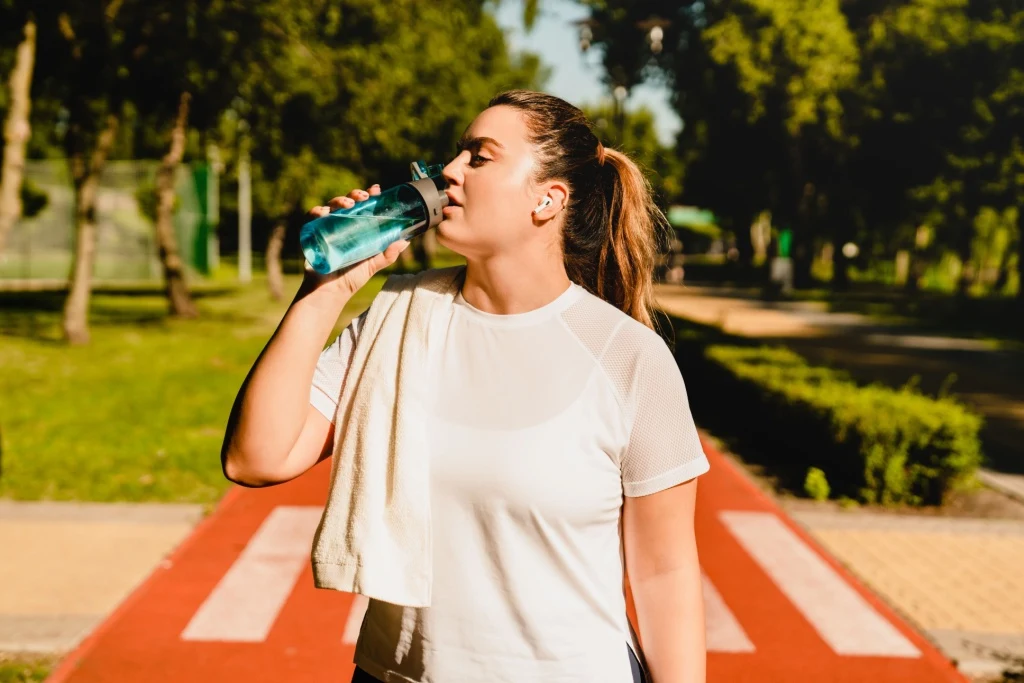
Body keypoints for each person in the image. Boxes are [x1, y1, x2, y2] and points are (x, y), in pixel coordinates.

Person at [221, 90, 709, 683]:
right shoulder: (395, 317)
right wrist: (326, 288)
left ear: (546, 199)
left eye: (480, 157)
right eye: (457, 154)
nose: (448, 170)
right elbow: (256, 457)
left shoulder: (627, 357)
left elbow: (665, 572)